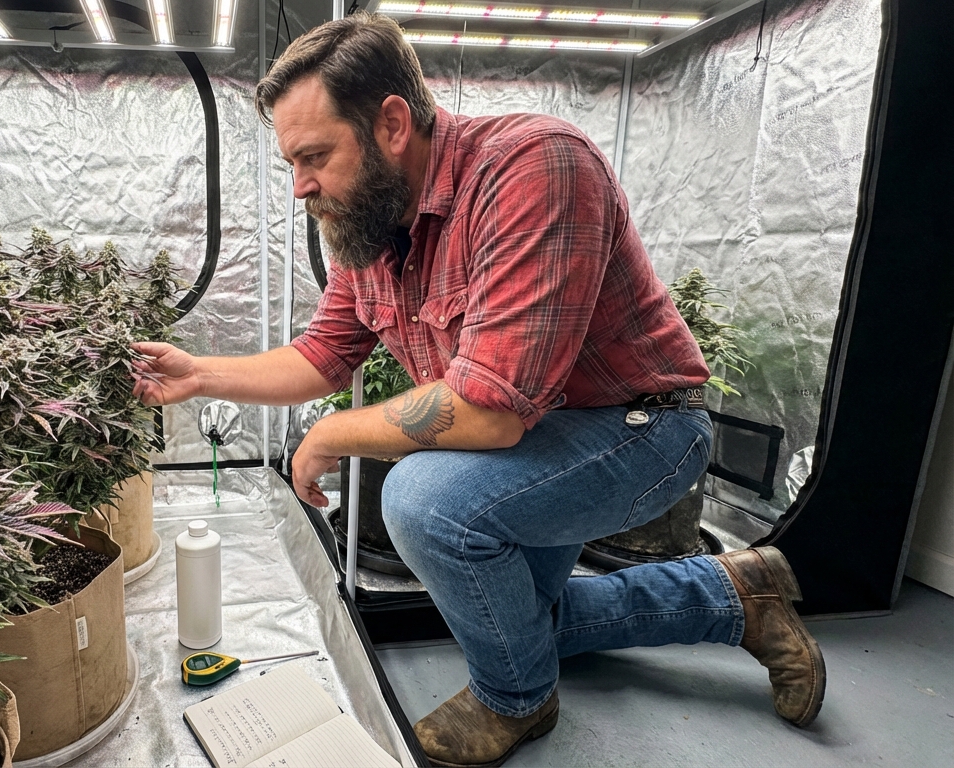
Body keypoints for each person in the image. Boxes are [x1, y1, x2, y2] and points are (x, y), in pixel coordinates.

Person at [132, 13, 824, 767]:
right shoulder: (370, 225)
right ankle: (737, 595)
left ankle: (516, 701)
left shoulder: (534, 166)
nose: (301, 186)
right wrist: (199, 374)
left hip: (641, 431)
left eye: (315, 156)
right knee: (524, 617)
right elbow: (324, 355)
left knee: (423, 498)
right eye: (292, 163)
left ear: (392, 123)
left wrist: (328, 434)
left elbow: (491, 412)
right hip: (545, 439)